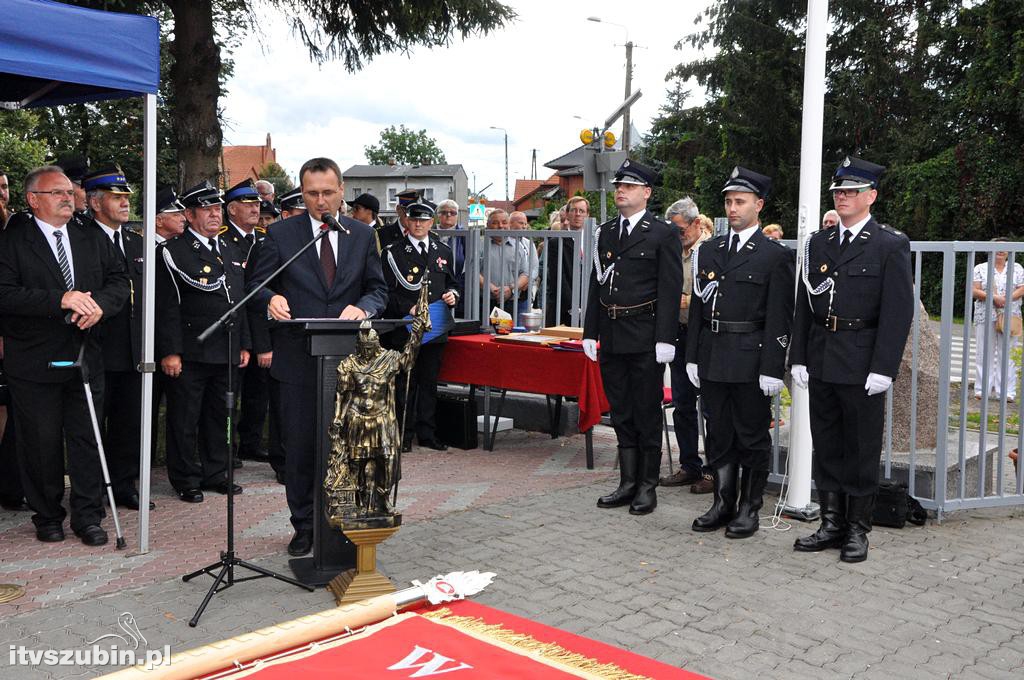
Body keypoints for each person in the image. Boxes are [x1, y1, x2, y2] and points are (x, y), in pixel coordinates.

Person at [246, 156, 388, 557]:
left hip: (348, 363)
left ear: (342, 191)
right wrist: (270, 298)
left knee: (347, 447)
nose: (320, 201)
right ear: (303, 192)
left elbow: (378, 289)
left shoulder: (362, 236)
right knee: (302, 449)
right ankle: (304, 525)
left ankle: (342, 520)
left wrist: (364, 307)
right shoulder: (283, 234)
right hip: (297, 362)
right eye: (312, 194)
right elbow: (256, 284)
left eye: (328, 193)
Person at [790, 156, 913, 563]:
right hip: (824, 354)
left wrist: (884, 367)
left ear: (871, 196)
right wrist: (800, 356)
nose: (842, 197)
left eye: (851, 191)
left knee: (860, 447)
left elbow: (897, 313)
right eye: (838, 191)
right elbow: (804, 305)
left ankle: (858, 529)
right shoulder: (817, 243)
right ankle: (830, 522)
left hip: (862, 359)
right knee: (826, 443)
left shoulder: (888, 243)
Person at [0, 165, 129, 545]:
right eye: (56, 192)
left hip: (85, 354)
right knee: (39, 441)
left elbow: (118, 280)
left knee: (87, 436)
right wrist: (60, 299)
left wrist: (100, 306)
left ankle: (88, 516)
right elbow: (4, 293)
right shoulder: (12, 240)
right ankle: (48, 515)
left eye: (68, 193)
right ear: (33, 199)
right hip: (34, 358)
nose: (66, 198)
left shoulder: (89, 236)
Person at [686, 167, 794, 538]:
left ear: (758, 205)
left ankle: (749, 507)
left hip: (751, 357)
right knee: (718, 434)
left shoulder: (772, 255)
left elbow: (780, 315)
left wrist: (772, 367)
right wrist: (692, 356)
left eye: (740, 202)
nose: (732, 209)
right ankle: (722, 502)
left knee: (751, 436)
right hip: (714, 354)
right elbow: (699, 309)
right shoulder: (711, 250)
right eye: (729, 201)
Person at [584, 159, 682, 516]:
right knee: (621, 411)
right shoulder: (606, 232)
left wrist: (665, 338)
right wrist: (590, 332)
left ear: (646, 193)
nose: (620, 190)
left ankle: (647, 486)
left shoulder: (663, 232)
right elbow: (597, 284)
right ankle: (626, 483)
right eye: (618, 185)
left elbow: (671, 289)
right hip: (612, 333)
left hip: (644, 335)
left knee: (646, 412)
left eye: (628, 186)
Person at [156, 180, 251, 504]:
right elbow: (167, 305)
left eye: (217, 208)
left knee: (221, 415)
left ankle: (216, 472)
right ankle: (185, 478)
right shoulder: (172, 251)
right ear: (191, 214)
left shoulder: (228, 248)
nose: (214, 214)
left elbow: (240, 301)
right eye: (207, 209)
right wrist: (170, 351)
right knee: (184, 418)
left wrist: (244, 343)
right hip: (192, 348)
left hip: (226, 348)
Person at [82, 164, 151, 511]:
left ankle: (124, 486)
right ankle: (93, 491)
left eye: (126, 197)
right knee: (92, 425)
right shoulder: (81, 239)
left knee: (128, 424)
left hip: (133, 348)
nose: (125, 203)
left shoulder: (136, 241)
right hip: (96, 347)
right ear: (95, 202)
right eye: (116, 197)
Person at [381, 200, 459, 451]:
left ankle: (427, 433)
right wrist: (407, 307)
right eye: (414, 219)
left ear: (431, 223)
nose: (418, 224)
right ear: (406, 221)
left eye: (423, 220)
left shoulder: (442, 250)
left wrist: (453, 295)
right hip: (405, 327)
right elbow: (383, 292)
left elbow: (453, 283)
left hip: (434, 326)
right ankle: (403, 435)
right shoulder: (393, 252)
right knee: (405, 382)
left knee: (429, 381)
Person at [659, 197, 713, 492]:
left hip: (704, 337)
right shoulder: (673, 251)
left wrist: (686, 300)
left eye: (679, 229)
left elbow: (717, 294)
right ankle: (689, 464)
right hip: (678, 334)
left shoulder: (710, 252)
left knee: (711, 408)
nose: (676, 235)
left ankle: (713, 469)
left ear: (695, 224)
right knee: (682, 404)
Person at [219, 179, 270, 465]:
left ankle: (251, 443)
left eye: (257, 204)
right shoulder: (223, 238)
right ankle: (229, 447)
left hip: (262, 326)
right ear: (232, 209)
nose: (255, 208)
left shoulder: (265, 237)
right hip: (235, 327)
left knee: (258, 394)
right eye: (248, 204)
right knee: (231, 394)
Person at [971, 239, 1024, 401]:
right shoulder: (980, 268)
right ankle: (982, 389)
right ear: (989, 250)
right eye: (997, 247)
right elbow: (974, 290)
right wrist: (993, 297)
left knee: (1007, 352)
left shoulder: (1017, 268)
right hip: (985, 314)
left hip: (1010, 315)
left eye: (1004, 248)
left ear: (1009, 252)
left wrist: (1006, 299)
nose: (1000, 250)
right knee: (983, 352)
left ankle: (1007, 392)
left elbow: (1022, 287)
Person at [544, 196, 588, 327]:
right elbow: (558, 277)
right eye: (574, 210)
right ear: (567, 214)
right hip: (563, 308)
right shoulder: (556, 242)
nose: (577, 214)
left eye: (581, 211)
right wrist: (573, 306)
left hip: (588, 306)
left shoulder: (595, 240)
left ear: (587, 214)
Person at [479, 209, 528, 318]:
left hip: (511, 302)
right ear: (487, 225)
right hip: (484, 302)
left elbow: (525, 274)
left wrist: (511, 289)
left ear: (509, 225)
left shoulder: (518, 246)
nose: (500, 226)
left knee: (507, 334)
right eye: (495, 223)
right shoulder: (478, 245)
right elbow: (472, 272)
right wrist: (493, 289)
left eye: (504, 222)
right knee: (484, 333)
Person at [435, 199, 466, 315]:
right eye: (443, 212)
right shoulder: (429, 233)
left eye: (452, 213)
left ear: (457, 216)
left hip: (457, 288)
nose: (448, 215)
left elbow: (469, 263)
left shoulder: (464, 235)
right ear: (438, 215)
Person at [508, 211, 539, 322]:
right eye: (521, 223)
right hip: (509, 292)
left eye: (525, 223)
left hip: (525, 293)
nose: (524, 226)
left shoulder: (528, 243)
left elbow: (535, 267)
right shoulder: (504, 242)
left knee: (522, 327)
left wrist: (527, 281)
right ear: (510, 224)